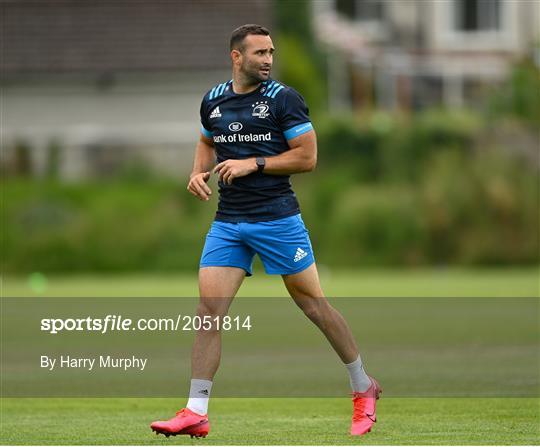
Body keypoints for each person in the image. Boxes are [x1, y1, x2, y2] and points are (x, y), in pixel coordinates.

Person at [150, 24, 380, 439]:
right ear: (236, 57)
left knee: (314, 307)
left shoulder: (283, 99)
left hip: (277, 220)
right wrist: (197, 171)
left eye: (271, 52)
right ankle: (195, 410)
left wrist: (252, 163)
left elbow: (307, 158)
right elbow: (206, 139)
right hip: (229, 222)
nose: (269, 59)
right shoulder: (214, 101)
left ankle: (363, 387)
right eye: (259, 53)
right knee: (208, 313)